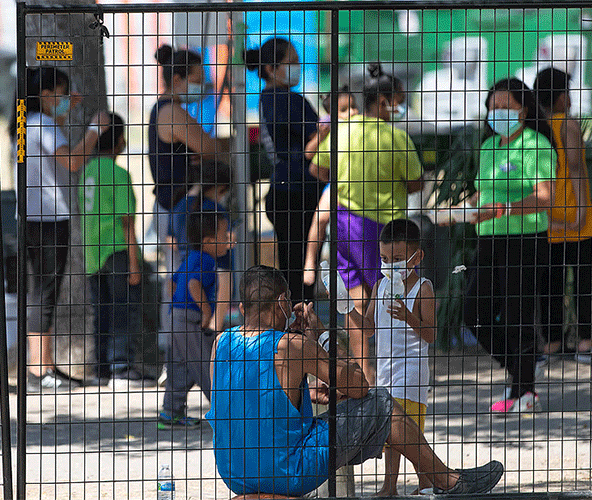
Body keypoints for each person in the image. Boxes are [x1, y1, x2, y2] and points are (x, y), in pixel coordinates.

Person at [206, 265, 504, 497]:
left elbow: (242, 400)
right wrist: (321, 335)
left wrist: (306, 390)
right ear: (283, 301)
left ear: (243, 308)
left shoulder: (220, 343)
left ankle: (440, 477)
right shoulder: (290, 345)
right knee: (382, 403)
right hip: (287, 471)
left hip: (235, 472)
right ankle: (446, 481)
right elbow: (360, 385)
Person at [313, 64, 424, 380]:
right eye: (400, 99)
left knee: (357, 298)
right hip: (385, 229)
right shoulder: (396, 137)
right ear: (385, 100)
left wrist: (345, 180)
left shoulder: (343, 131)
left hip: (345, 224)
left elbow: (318, 170)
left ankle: (363, 371)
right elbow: (416, 183)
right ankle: (392, 368)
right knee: (389, 295)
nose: (402, 106)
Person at [464, 78, 555, 413]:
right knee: (475, 312)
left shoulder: (536, 144)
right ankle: (522, 367)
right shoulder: (489, 147)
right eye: (494, 107)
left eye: (506, 106)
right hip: (488, 239)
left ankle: (524, 391)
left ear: (524, 109)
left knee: (519, 315)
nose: (498, 112)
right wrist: (466, 207)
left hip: (524, 239)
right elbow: (481, 191)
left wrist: (503, 209)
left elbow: (545, 197)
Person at [18, 66, 109, 392]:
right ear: (44, 94)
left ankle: (42, 367)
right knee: (45, 293)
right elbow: (71, 160)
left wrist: (65, 111)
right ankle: (40, 370)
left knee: (42, 291)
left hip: (31, 217)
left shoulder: (27, 123)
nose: (64, 99)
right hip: (48, 219)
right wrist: (95, 130)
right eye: (60, 93)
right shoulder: (41, 124)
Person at [533, 68, 592, 364]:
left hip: (548, 217)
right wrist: (585, 210)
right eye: (567, 92)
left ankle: (552, 345)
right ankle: (588, 342)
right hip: (575, 215)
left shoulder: (534, 124)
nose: (570, 99)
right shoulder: (566, 124)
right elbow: (576, 168)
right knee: (587, 280)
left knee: (551, 283)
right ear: (559, 97)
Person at [347, 219, 435, 496]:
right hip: (386, 371)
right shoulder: (381, 286)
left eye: (397, 259)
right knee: (391, 432)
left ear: (417, 256)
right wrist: (347, 308)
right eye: (385, 258)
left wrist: (409, 317)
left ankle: (423, 481)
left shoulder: (423, 288)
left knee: (408, 432)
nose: (390, 264)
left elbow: (431, 335)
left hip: (411, 373)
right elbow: (369, 329)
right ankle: (393, 485)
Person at [245, 37, 322, 303]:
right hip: (294, 194)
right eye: (291, 62)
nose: (297, 67)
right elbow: (312, 142)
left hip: (287, 192)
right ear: (270, 68)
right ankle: (299, 330)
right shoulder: (283, 100)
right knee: (301, 272)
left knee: (296, 268)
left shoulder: (270, 98)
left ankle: (298, 327)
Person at [79, 113, 149, 385]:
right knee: (124, 308)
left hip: (94, 254)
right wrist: (134, 263)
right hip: (117, 250)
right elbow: (126, 222)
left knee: (102, 312)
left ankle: (102, 369)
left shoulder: (88, 170)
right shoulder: (118, 173)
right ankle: (122, 367)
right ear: (119, 140)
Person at [148, 44, 221, 271]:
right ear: (178, 79)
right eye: (197, 80)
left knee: (179, 277)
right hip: (175, 209)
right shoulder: (171, 112)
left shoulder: (165, 108)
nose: (201, 86)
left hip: (172, 206)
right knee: (183, 278)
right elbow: (209, 147)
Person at [159, 211, 233, 429]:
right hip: (189, 320)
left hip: (175, 318)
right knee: (205, 365)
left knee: (178, 368)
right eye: (224, 234)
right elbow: (193, 285)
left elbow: (171, 284)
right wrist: (207, 312)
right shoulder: (206, 260)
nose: (228, 238)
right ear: (209, 241)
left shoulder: (190, 257)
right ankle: (226, 414)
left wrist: (177, 305)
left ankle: (171, 413)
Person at [303, 89, 360, 289]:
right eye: (344, 110)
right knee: (320, 218)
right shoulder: (331, 132)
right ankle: (310, 262)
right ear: (331, 116)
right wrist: (321, 134)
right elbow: (310, 155)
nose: (352, 112)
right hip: (337, 184)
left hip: (358, 186)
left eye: (354, 107)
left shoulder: (362, 131)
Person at [168, 160, 234, 331]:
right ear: (218, 187)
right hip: (209, 285)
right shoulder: (215, 210)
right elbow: (224, 271)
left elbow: (172, 241)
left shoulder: (178, 205)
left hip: (182, 286)